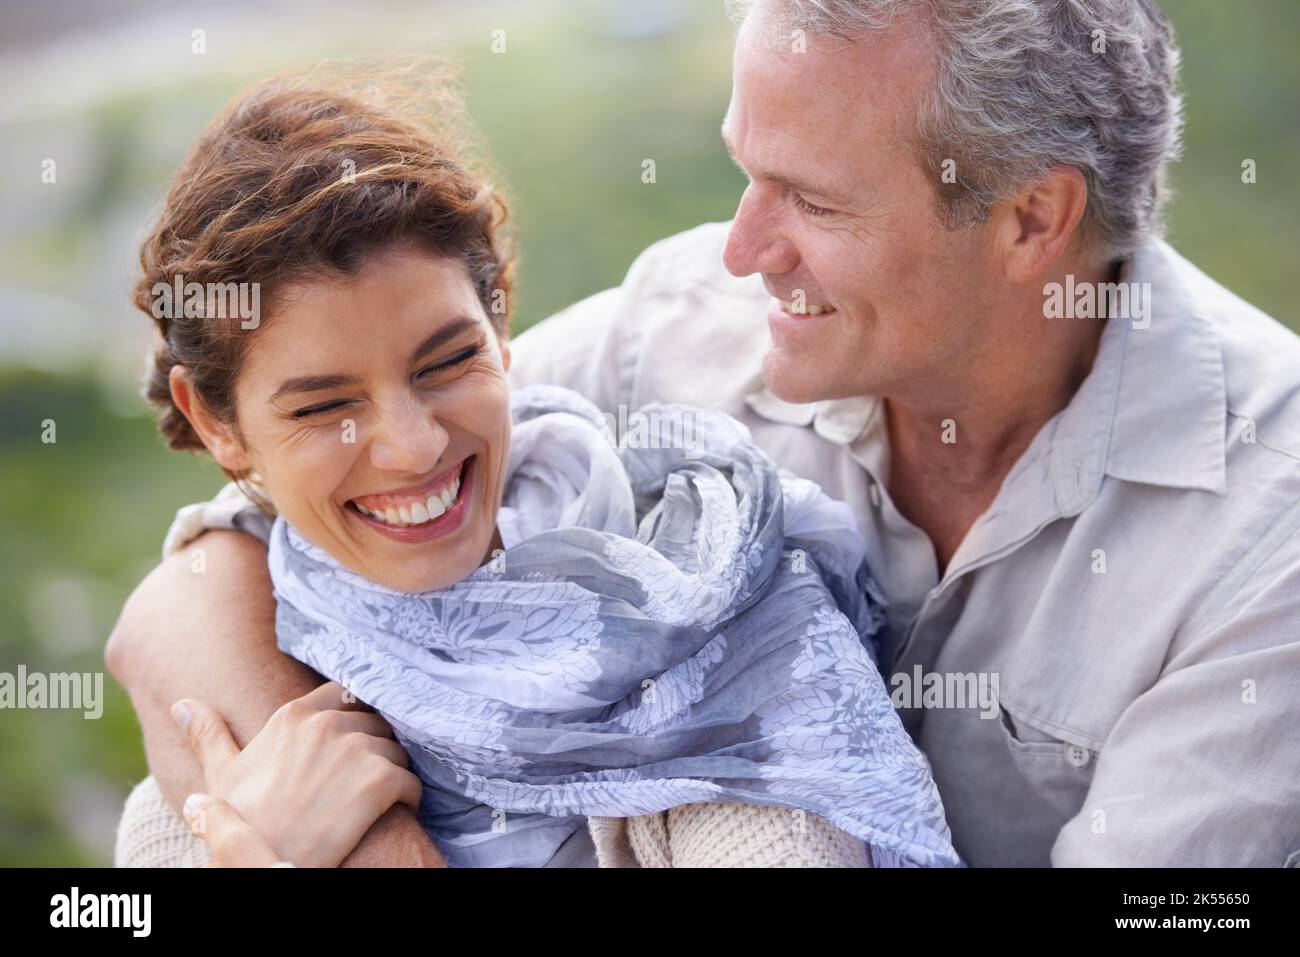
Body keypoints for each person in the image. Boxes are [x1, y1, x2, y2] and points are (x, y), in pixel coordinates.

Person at [110, 0, 1300, 868]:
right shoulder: (687, 321)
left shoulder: (1268, 543)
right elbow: (210, 574)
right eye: (746, 174)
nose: (741, 250)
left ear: (1032, 219)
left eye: (815, 202)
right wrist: (353, 841)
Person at [110, 67, 961, 869]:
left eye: (445, 362)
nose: (412, 447)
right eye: (323, 406)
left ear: (500, 322)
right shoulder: (232, 769)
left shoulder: (710, 655)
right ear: (214, 421)